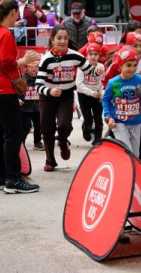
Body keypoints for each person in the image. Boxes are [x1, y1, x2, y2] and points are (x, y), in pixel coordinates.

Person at [0, 0, 41, 195]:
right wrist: (24, 60)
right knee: (12, 135)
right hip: (5, 90)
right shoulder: (5, 33)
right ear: (14, 12)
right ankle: (13, 179)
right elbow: (7, 63)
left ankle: (0, 178)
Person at [35, 26, 104, 172]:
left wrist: (99, 69)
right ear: (52, 40)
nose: (62, 41)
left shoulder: (75, 56)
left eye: (65, 38)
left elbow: (91, 71)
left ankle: (62, 141)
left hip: (66, 96)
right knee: (47, 129)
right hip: (47, 97)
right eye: (59, 38)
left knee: (64, 125)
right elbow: (38, 85)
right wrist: (50, 91)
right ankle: (50, 160)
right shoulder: (46, 59)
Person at [103, 46, 141, 157]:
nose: (132, 69)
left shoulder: (140, 80)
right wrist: (108, 116)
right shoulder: (113, 83)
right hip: (119, 122)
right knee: (127, 151)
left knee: (135, 155)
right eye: (128, 65)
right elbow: (106, 100)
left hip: (136, 122)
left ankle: (128, 167)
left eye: (135, 65)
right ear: (120, 66)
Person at [76, 43, 104, 144]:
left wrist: (101, 94)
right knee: (88, 120)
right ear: (86, 56)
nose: (93, 56)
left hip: (97, 96)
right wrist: (92, 93)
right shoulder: (82, 67)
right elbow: (79, 84)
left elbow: (103, 82)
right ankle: (86, 130)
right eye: (90, 54)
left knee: (98, 118)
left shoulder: (101, 67)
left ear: (98, 56)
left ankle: (98, 139)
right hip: (84, 96)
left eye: (95, 54)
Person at [22, 60, 44, 151]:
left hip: (38, 106)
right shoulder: (22, 79)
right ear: (26, 67)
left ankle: (37, 142)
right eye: (31, 66)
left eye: (36, 66)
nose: (34, 69)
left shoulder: (41, 79)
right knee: (25, 126)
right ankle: (21, 143)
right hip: (24, 108)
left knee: (39, 125)